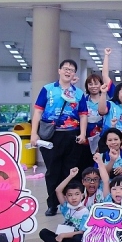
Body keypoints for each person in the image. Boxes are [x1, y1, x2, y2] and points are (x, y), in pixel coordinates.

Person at [32, 59, 88, 216]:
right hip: (51, 135)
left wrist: (82, 133)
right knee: (52, 171)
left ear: (74, 74)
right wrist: (34, 133)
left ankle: (69, 203)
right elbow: (38, 111)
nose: (68, 71)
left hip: (71, 135)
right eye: (65, 68)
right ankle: (52, 204)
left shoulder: (78, 93)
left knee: (69, 171)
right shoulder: (48, 89)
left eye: (71, 69)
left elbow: (83, 115)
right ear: (59, 70)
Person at [39, 168, 87, 242]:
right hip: (62, 237)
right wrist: (71, 176)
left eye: (77, 194)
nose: (73, 198)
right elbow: (58, 190)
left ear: (82, 196)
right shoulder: (66, 207)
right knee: (43, 232)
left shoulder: (85, 212)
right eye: (70, 195)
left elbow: (81, 232)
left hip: (73, 237)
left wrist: (64, 235)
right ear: (66, 197)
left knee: (78, 239)